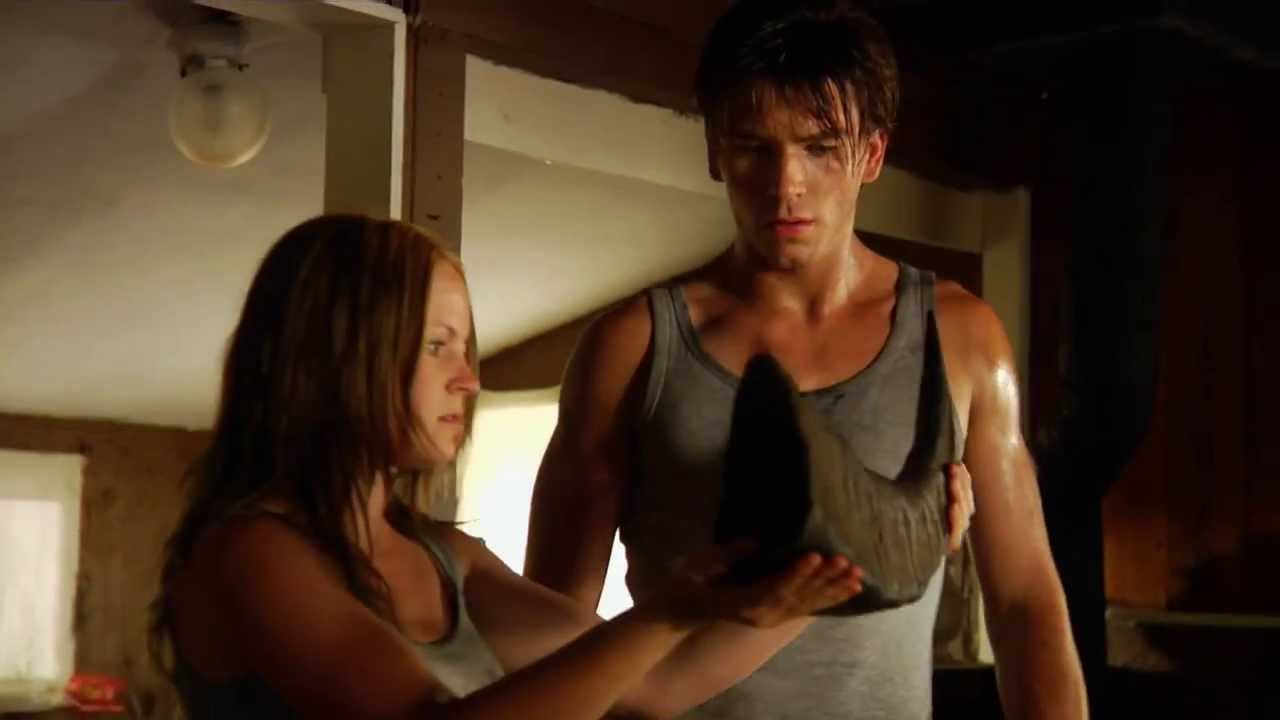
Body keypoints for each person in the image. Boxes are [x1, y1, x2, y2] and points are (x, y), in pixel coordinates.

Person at [524, 1, 1087, 718]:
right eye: (754, 147)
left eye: (820, 148)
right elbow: (548, 631)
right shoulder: (632, 346)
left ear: (872, 155)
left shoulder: (961, 337)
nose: (785, 184)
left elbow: (1025, 600)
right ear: (715, 151)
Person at [148, 214, 870, 720]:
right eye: (437, 346)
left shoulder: (446, 557)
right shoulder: (252, 553)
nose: (468, 379)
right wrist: (672, 610)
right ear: (338, 353)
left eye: (464, 349)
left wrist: (832, 570)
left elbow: (654, 680)